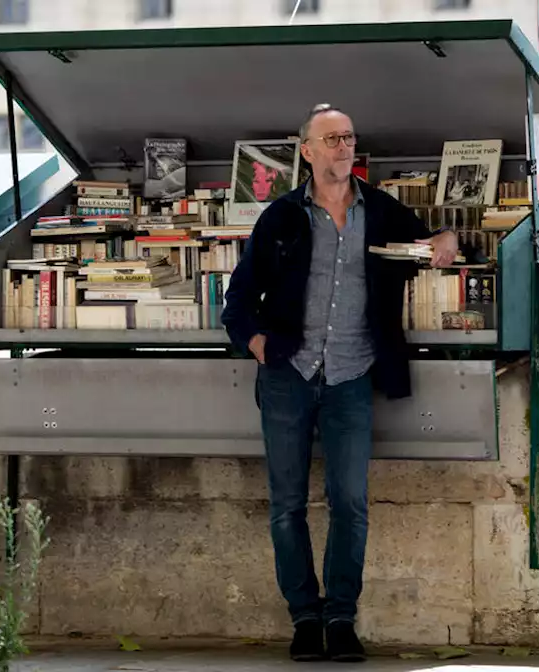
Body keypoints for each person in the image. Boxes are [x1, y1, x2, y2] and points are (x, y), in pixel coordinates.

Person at [221, 103, 459, 663]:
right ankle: (305, 618)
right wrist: (259, 347)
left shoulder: (379, 210)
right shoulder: (281, 217)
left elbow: (431, 240)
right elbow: (237, 302)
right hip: (288, 377)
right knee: (287, 505)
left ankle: (341, 618)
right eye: (331, 139)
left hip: (353, 376)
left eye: (349, 138)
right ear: (307, 151)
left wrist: (445, 239)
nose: (343, 147)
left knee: (350, 502)